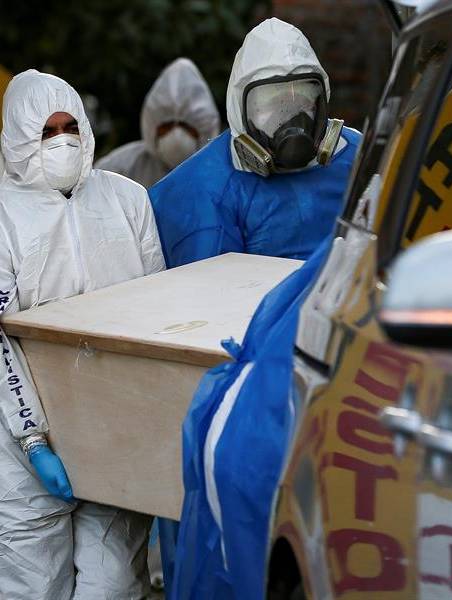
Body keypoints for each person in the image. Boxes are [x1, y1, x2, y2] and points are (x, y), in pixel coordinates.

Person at [0, 69, 165, 599]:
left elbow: (157, 313)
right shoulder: (3, 215)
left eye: (70, 126)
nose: (62, 140)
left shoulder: (126, 200)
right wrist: (31, 437)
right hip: (19, 450)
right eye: (46, 131)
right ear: (16, 137)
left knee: (113, 584)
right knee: (34, 585)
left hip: (113, 428)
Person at [149, 18, 361, 268]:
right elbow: (212, 288)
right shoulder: (203, 190)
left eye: (303, 103)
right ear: (240, 111)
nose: (291, 120)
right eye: (273, 106)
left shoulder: (357, 155)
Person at [96, 57, 220, 188]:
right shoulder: (118, 169)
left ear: (203, 128)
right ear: (151, 126)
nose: (176, 134)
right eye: (167, 126)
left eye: (186, 126)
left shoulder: (221, 176)